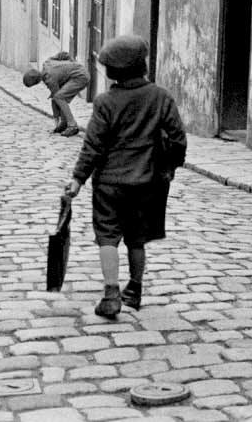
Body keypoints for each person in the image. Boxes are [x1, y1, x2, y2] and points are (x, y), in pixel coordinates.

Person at [64, 35, 187, 318]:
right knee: (136, 239)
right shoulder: (160, 97)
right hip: (147, 182)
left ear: (111, 72)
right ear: (142, 65)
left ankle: (111, 293)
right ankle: (135, 289)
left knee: (107, 237)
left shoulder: (105, 102)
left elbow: (93, 146)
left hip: (109, 183)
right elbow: (178, 140)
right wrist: (169, 168)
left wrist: (77, 179)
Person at [23, 51, 89, 137]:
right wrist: (73, 64)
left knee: (59, 97)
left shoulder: (49, 79)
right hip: (80, 72)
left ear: (36, 83)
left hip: (80, 77)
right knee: (61, 96)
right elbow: (64, 54)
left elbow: (55, 98)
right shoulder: (47, 62)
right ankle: (64, 123)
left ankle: (72, 126)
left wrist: (56, 117)